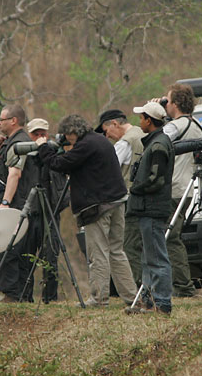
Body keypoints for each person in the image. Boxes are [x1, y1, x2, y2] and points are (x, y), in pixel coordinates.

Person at [37, 114, 137, 307]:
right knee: (117, 252)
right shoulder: (100, 140)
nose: (67, 139)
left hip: (98, 206)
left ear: (73, 132)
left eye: (68, 135)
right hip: (117, 202)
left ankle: (99, 299)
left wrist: (43, 147)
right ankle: (132, 298)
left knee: (98, 254)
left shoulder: (85, 145)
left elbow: (60, 164)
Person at [0, 104, 41, 302]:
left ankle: (13, 295)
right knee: (21, 253)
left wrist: (5, 202)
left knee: (6, 250)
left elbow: (14, 175)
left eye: (2, 119)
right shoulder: (14, 142)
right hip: (24, 206)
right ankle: (22, 297)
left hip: (15, 206)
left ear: (13, 120)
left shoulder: (20, 145)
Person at [125, 101, 175, 315]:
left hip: (153, 209)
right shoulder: (155, 142)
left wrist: (136, 190)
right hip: (148, 209)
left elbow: (156, 180)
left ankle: (162, 303)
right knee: (148, 257)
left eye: (142, 118)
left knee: (156, 257)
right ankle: (148, 301)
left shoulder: (158, 145)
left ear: (149, 120)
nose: (140, 122)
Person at [158, 83, 200, 297]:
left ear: (174, 103)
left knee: (170, 236)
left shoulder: (176, 126)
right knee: (173, 236)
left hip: (174, 188)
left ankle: (183, 286)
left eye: (167, 100)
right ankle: (180, 284)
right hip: (187, 188)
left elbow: (155, 142)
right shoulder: (195, 124)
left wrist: (156, 115)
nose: (165, 103)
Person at [95, 109, 145, 286]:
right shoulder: (142, 132)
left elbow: (107, 170)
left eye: (106, 131)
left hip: (129, 197)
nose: (107, 136)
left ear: (114, 124)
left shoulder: (124, 143)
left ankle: (135, 285)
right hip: (146, 195)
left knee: (129, 245)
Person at [26, 117, 69, 303]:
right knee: (26, 256)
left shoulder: (53, 153)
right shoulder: (24, 154)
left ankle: (50, 298)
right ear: (29, 135)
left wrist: (48, 150)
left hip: (50, 211)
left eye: (42, 133)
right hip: (28, 211)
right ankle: (24, 297)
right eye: (36, 134)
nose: (39, 137)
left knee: (50, 256)